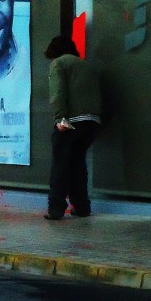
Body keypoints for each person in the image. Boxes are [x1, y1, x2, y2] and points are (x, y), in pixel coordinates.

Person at [44, 35, 102, 220]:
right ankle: (82, 207)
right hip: (92, 122)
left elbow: (57, 91)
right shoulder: (86, 65)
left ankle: (56, 209)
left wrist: (60, 118)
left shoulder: (59, 63)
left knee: (60, 165)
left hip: (71, 121)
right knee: (78, 164)